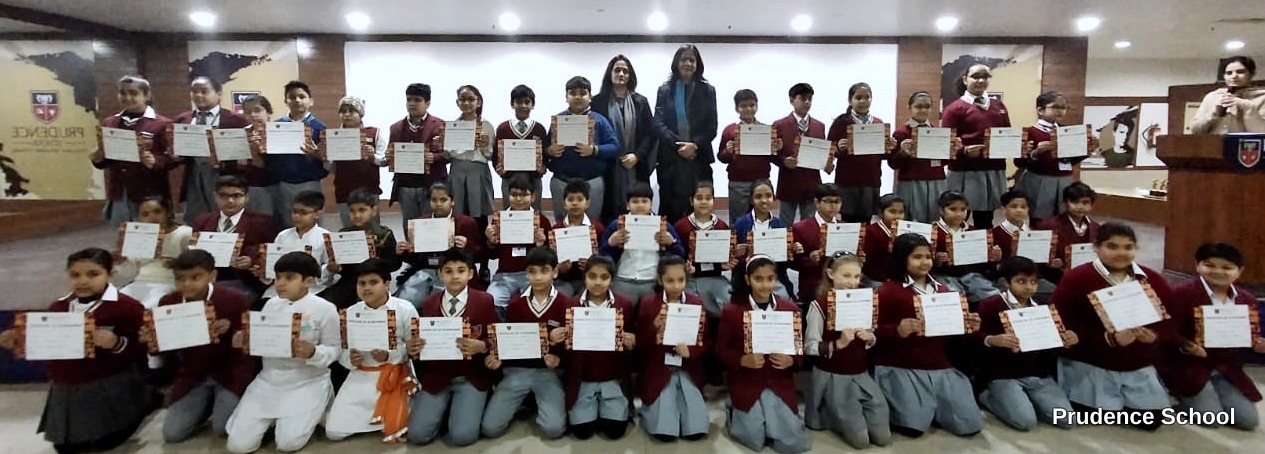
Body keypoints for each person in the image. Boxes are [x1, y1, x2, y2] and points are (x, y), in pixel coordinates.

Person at [0, 248, 149, 454]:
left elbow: (142, 349)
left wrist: (117, 343)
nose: (83, 281)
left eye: (93, 274)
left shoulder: (127, 307)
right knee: (64, 447)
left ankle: (138, 406)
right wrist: (19, 340)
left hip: (110, 381)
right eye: (75, 275)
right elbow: (45, 345)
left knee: (104, 442)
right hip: (66, 385)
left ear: (110, 274)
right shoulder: (58, 307)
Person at [1050, 222, 1177, 431]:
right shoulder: (1077, 278)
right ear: (1096, 247)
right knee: (1098, 416)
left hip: (1136, 361)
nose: (1121, 253)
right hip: (1093, 359)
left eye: (1128, 247)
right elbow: (1061, 322)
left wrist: (1154, 335)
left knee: (1152, 421)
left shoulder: (1151, 279)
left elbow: (1172, 318)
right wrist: (1108, 339)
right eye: (1112, 246)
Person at [225, 251, 340, 453]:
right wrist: (245, 340)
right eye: (278, 277)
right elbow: (263, 342)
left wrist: (313, 352)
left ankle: (318, 406)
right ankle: (270, 420)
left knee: (289, 443)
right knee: (238, 446)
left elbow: (335, 348)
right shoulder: (270, 305)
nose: (280, 283)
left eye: (289, 278)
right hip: (269, 380)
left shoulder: (325, 309)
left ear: (308, 281)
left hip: (307, 380)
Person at [872, 233, 984, 437]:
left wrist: (967, 326)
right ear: (902, 259)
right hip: (901, 365)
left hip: (939, 365)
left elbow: (951, 334)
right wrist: (896, 330)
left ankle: (935, 403)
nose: (924, 262)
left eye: (928, 256)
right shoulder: (887, 291)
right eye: (917, 257)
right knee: (913, 427)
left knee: (969, 424)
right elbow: (872, 331)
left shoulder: (944, 290)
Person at [145, 249, 258, 443]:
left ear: (212, 276)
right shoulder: (168, 302)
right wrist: (152, 342)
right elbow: (163, 350)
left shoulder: (234, 299)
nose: (187, 284)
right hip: (193, 374)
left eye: (195, 277)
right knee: (173, 434)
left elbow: (249, 345)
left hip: (230, 372)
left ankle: (224, 401)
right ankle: (205, 404)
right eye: (180, 279)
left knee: (223, 428)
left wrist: (232, 332)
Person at [1159, 243, 1265, 430]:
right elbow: (1166, 331)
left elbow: (1250, 334)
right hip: (1188, 366)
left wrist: (1257, 344)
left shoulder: (1246, 299)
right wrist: (1186, 345)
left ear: (1239, 271)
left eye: (1227, 267)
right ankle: (1172, 394)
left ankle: (1211, 391)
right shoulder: (1181, 293)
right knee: (1212, 420)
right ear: (1197, 266)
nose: (1218, 271)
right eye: (1209, 265)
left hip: (1225, 368)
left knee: (1248, 421)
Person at [717, 255, 811, 453]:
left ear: (776, 279)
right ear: (747, 279)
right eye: (758, 279)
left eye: (770, 279)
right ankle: (733, 408)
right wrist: (742, 360)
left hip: (778, 380)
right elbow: (721, 350)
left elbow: (799, 351)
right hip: (747, 380)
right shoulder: (732, 310)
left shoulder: (790, 309)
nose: (765, 285)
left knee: (792, 443)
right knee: (754, 440)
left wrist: (791, 360)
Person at [975, 256, 1078, 431]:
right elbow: (973, 337)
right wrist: (992, 340)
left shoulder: (1044, 307)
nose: (1029, 287)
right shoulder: (990, 305)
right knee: (1025, 422)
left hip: (1037, 374)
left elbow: (1052, 342)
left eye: (1033, 282)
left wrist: (1067, 338)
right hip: (1002, 374)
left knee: (1067, 420)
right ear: (1006, 282)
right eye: (1021, 281)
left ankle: (1026, 402)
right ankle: (986, 396)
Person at [407, 248, 498, 446]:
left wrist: (482, 345)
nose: (455, 276)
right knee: (417, 435)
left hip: (471, 376)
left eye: (461, 270)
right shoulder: (429, 303)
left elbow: (496, 337)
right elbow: (421, 344)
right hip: (438, 374)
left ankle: (465, 408)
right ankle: (446, 410)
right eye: (448, 271)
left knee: (462, 437)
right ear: (440, 274)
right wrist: (414, 349)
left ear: (470, 273)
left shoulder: (484, 300)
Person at [480, 247, 570, 440]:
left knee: (554, 429)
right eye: (532, 271)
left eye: (544, 271)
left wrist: (559, 359)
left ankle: (535, 400)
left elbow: (571, 345)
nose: (538, 277)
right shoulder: (515, 305)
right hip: (518, 370)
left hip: (548, 372)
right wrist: (499, 357)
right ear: (526, 274)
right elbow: (511, 341)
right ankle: (527, 399)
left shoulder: (565, 304)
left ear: (555, 272)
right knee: (490, 428)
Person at [325, 258, 418, 442]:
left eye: (373, 282)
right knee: (334, 433)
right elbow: (341, 350)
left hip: (394, 374)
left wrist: (389, 355)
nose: (367, 288)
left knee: (396, 425)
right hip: (360, 375)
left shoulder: (405, 309)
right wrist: (350, 358)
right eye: (362, 283)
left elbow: (414, 347)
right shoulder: (350, 313)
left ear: (387, 284)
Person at [803, 252, 891, 449]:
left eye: (857, 276)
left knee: (883, 437)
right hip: (833, 375)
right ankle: (831, 412)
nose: (853, 282)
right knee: (860, 441)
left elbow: (872, 334)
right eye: (846, 276)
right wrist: (838, 344)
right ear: (831, 274)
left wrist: (870, 337)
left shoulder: (865, 301)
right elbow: (809, 346)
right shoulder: (820, 305)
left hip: (860, 373)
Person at [563, 254, 637, 440]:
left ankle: (607, 407)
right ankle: (591, 408)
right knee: (582, 433)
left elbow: (633, 341)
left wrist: (631, 342)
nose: (597, 282)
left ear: (612, 279)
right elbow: (567, 349)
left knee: (614, 432)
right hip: (583, 378)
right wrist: (559, 338)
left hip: (613, 377)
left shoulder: (624, 305)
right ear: (584, 277)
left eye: (604, 277)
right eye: (592, 276)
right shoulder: (572, 304)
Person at [636, 255, 710, 441]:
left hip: (687, 367)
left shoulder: (696, 303)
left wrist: (691, 351)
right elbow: (640, 344)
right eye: (670, 281)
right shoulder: (648, 304)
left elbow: (706, 340)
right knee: (664, 432)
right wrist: (653, 329)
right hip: (658, 367)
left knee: (696, 430)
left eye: (680, 280)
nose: (676, 286)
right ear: (660, 280)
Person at [90, 75, 173, 227]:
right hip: (120, 192)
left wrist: (155, 161)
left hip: (150, 191)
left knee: (152, 235)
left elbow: (173, 159)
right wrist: (98, 158)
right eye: (123, 93)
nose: (127, 97)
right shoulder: (110, 122)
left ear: (147, 95)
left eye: (134, 93)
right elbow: (107, 159)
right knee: (123, 234)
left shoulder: (162, 123)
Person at [941, 64, 1015, 228]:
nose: (981, 80)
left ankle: (983, 245)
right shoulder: (954, 109)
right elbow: (945, 142)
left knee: (986, 218)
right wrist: (964, 151)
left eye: (985, 76)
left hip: (993, 168)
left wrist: (1016, 145)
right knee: (958, 217)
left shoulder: (999, 106)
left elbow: (1007, 134)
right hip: (964, 170)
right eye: (975, 76)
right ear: (965, 79)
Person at [652, 44, 719, 224]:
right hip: (670, 158)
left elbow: (712, 127)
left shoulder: (708, 91)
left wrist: (694, 145)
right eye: (683, 59)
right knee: (670, 207)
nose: (688, 63)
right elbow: (658, 123)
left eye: (692, 60)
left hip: (699, 158)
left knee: (699, 207)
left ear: (698, 64)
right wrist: (679, 145)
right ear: (676, 63)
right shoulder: (665, 90)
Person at [173, 77, 252, 224]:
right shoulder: (182, 120)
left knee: (226, 217)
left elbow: (247, 157)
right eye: (194, 92)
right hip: (194, 175)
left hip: (225, 175)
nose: (198, 95)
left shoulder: (236, 120)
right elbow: (176, 154)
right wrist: (176, 156)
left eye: (204, 91)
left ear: (218, 93)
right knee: (196, 219)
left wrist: (223, 163)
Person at [191, 175, 279, 301]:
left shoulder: (263, 223)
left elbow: (273, 258)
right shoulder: (202, 221)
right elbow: (194, 253)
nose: (230, 201)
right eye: (223, 196)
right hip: (207, 279)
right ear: (215, 197)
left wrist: (253, 262)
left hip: (245, 281)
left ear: (246, 197)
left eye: (236, 196)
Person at [395, 182, 484, 305]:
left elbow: (480, 255)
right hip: (426, 269)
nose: (438, 204)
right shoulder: (421, 223)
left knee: (440, 301)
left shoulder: (466, 223)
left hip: (453, 270)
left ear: (452, 201)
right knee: (407, 300)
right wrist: (404, 251)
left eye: (443, 200)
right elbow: (415, 259)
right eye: (434, 200)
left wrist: (467, 245)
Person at [599, 182, 686, 308]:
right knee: (620, 313)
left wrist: (671, 243)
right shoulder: (616, 225)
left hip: (652, 281)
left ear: (651, 204)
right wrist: (610, 243)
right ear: (627, 205)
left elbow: (681, 256)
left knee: (650, 314)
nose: (640, 205)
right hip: (623, 279)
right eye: (635, 201)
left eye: (644, 201)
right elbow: (601, 257)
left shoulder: (663, 226)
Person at [546, 76, 620, 221]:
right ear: (566, 97)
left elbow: (615, 147)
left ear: (590, 97)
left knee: (591, 223)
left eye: (583, 93)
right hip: (562, 181)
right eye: (573, 93)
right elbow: (544, 148)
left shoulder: (600, 120)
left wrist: (594, 150)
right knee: (562, 224)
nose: (578, 97)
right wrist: (550, 150)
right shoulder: (558, 121)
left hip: (592, 181)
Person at [592, 55, 656, 222]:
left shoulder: (641, 102)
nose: (621, 74)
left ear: (630, 75)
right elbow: (594, 134)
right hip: (608, 166)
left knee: (638, 208)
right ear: (610, 74)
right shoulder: (597, 102)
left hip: (635, 165)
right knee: (608, 211)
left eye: (625, 71)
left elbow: (650, 133)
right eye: (617, 70)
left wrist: (637, 155)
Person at [485, 173, 554, 317]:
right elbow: (492, 255)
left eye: (524, 195)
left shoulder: (542, 221)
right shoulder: (499, 220)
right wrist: (491, 242)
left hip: (531, 276)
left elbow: (550, 258)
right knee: (490, 301)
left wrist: (540, 245)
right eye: (514, 195)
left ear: (533, 197)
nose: (518, 199)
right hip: (504, 276)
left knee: (532, 304)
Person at [320, 188, 400, 309]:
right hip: (349, 282)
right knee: (326, 305)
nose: (357, 215)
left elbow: (395, 265)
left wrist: (383, 260)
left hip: (376, 282)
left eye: (362, 210)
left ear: (374, 210)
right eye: (352, 211)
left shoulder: (384, 234)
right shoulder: (343, 234)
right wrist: (335, 267)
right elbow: (343, 269)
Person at [1014, 91, 1087, 223]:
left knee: (1065, 217)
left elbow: (1071, 161)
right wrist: (1035, 153)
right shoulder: (1029, 132)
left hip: (1065, 179)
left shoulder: (1068, 132)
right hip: (1040, 179)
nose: (1060, 111)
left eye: (1063, 107)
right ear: (1040, 110)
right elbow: (1018, 162)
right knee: (1040, 218)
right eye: (1055, 107)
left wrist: (1085, 151)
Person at [828, 82, 895, 223]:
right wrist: (838, 147)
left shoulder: (878, 123)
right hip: (847, 181)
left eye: (867, 97)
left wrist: (889, 146)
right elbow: (829, 151)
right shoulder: (841, 122)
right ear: (850, 100)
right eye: (858, 98)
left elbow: (883, 155)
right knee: (847, 221)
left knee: (866, 221)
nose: (863, 101)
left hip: (871, 180)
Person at [265, 80, 327, 229]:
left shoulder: (319, 127)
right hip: (284, 183)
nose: (297, 100)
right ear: (286, 101)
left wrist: (317, 154)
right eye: (292, 97)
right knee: (288, 222)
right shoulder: (277, 126)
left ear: (310, 101)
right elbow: (271, 158)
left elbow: (327, 159)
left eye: (302, 97)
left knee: (313, 222)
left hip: (310, 182)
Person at [116, 195, 194, 309]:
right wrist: (122, 257)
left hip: (169, 283)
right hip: (139, 282)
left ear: (168, 212)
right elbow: (128, 273)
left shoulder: (185, 233)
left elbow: (197, 263)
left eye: (157, 212)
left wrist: (176, 263)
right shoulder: (138, 235)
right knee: (115, 304)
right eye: (145, 214)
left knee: (145, 308)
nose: (151, 218)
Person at [717, 89, 782, 226]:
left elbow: (774, 158)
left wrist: (777, 148)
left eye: (752, 105)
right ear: (737, 108)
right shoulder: (730, 130)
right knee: (738, 221)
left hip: (761, 181)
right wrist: (728, 151)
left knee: (763, 218)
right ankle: (738, 240)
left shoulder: (766, 130)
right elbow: (721, 157)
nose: (748, 109)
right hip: (738, 183)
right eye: (743, 106)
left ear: (757, 106)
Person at [672, 181, 734, 318]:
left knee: (730, 305)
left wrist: (726, 264)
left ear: (714, 200)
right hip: (690, 279)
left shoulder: (722, 226)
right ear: (691, 201)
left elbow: (726, 256)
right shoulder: (681, 226)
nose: (704, 202)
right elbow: (677, 254)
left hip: (715, 277)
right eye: (699, 198)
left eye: (708, 198)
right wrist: (685, 267)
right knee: (688, 309)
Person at [258, 190, 335, 299]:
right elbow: (273, 268)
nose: (297, 216)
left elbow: (328, 271)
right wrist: (264, 270)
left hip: (313, 289)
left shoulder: (325, 237)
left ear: (317, 214)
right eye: (294, 212)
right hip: (282, 288)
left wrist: (330, 269)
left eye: (303, 213)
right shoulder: (283, 235)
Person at [889, 91, 952, 223]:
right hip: (911, 183)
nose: (923, 110)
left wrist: (952, 150)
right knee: (911, 221)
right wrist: (903, 153)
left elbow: (943, 161)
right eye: (918, 106)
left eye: (927, 106)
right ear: (909, 107)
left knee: (935, 220)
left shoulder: (938, 133)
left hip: (937, 181)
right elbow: (893, 164)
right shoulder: (901, 133)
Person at [772, 83, 830, 227]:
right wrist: (783, 161)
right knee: (785, 225)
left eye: (810, 99)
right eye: (803, 99)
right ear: (792, 100)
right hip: (789, 182)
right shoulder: (779, 125)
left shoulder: (819, 126)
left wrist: (827, 162)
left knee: (809, 225)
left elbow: (822, 152)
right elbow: (772, 154)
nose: (807, 102)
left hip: (812, 183)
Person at [930, 191, 1002, 305]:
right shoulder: (932, 232)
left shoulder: (973, 232)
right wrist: (935, 259)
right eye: (953, 209)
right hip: (944, 276)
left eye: (963, 209)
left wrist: (993, 256)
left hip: (971, 276)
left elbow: (982, 263)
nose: (958, 214)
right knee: (952, 298)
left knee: (994, 296)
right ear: (941, 210)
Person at [388, 83, 446, 222]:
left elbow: (450, 154)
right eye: (409, 99)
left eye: (417, 100)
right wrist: (390, 157)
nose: (412, 104)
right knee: (410, 225)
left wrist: (435, 157)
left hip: (432, 184)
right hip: (405, 185)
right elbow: (391, 153)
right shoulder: (396, 128)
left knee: (432, 224)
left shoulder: (440, 125)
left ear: (428, 103)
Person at [732, 179, 796, 300]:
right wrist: (737, 254)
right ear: (751, 200)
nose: (764, 200)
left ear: (774, 198)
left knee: (783, 298)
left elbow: (785, 265)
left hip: (773, 278)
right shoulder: (741, 224)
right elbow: (733, 260)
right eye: (758, 197)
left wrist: (790, 252)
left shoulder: (780, 225)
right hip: (747, 278)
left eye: (768, 196)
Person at [331, 96, 388, 228]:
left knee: (373, 231)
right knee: (349, 231)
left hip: (369, 191)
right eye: (343, 111)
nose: (346, 115)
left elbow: (385, 161)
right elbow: (331, 169)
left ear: (361, 114)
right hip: (344, 192)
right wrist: (324, 157)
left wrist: (373, 157)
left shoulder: (374, 133)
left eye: (351, 111)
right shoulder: (334, 136)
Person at [446, 85, 497, 233]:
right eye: (462, 99)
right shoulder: (452, 126)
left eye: (471, 99)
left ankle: (480, 245)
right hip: (457, 170)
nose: (466, 103)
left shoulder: (486, 125)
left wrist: (485, 145)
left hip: (478, 170)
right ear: (457, 102)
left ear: (478, 102)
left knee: (478, 211)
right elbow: (448, 155)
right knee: (458, 211)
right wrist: (442, 147)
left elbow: (490, 155)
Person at [492, 84, 548, 211]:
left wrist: (543, 167)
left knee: (534, 214)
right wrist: (499, 169)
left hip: (533, 179)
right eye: (518, 102)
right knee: (510, 213)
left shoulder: (539, 129)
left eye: (527, 102)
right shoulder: (503, 128)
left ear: (533, 105)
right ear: (512, 104)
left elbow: (545, 154)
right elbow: (496, 155)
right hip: (509, 179)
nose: (523, 105)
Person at [790, 183, 844, 303]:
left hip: (841, 285)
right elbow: (793, 263)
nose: (833, 205)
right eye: (828, 201)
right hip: (813, 286)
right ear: (817, 202)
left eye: (837, 201)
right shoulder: (801, 228)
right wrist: (811, 259)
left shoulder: (845, 228)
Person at [1037, 182, 1100, 284]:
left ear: (1091, 204)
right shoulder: (1048, 225)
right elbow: (1036, 256)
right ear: (1065, 202)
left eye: (1085, 203)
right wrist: (1048, 263)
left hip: (1086, 275)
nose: (1080, 207)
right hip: (1055, 277)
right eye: (1075, 202)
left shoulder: (1096, 228)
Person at [553, 178, 606, 297]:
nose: (575, 203)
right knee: (560, 299)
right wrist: (558, 268)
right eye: (570, 199)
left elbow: (604, 255)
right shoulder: (557, 229)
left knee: (588, 299)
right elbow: (550, 258)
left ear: (587, 203)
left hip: (589, 280)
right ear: (564, 204)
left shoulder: (597, 228)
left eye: (579, 199)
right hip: (563, 280)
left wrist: (592, 264)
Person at [1191, 56, 1265, 134]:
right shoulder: (1212, 97)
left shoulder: (1262, 97)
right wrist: (1214, 113)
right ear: (1224, 76)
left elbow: (1262, 132)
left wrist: (1247, 106)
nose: (1234, 76)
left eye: (1240, 72)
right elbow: (1195, 131)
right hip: (1214, 141)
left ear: (1252, 74)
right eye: (1229, 73)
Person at [238, 96, 278, 216]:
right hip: (249, 186)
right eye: (248, 112)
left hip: (275, 185)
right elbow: (239, 163)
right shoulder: (242, 134)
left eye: (257, 110)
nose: (253, 115)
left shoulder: (278, 132)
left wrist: (256, 154)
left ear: (268, 111)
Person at [860, 194, 906, 285]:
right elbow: (869, 263)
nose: (897, 216)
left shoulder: (906, 231)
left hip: (900, 278)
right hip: (877, 279)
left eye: (901, 212)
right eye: (892, 212)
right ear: (881, 213)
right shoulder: (871, 231)